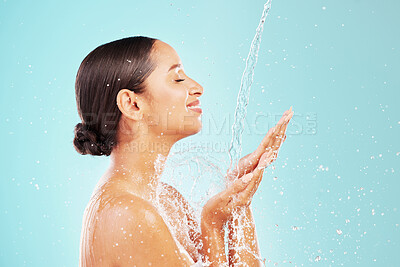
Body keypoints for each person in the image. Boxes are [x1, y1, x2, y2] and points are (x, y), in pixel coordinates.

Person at [73, 36, 294, 266]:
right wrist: (212, 226)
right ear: (132, 104)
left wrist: (239, 200)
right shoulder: (128, 214)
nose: (198, 88)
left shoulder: (166, 201)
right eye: (177, 79)